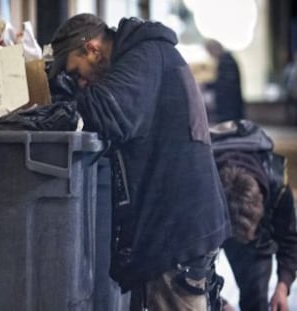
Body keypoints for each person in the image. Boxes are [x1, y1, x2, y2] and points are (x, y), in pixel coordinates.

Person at [49, 13, 231, 310]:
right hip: (177, 226)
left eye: (75, 72)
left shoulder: (145, 55)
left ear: (92, 50)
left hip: (177, 231)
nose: (79, 82)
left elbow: (109, 114)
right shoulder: (146, 55)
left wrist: (64, 96)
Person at [211, 119, 297, 311]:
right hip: (212, 222)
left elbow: (290, 240)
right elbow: (183, 260)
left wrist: (283, 286)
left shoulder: (277, 186)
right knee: (195, 295)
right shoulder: (199, 189)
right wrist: (218, 301)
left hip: (255, 239)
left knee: (256, 297)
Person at [204, 39, 244, 123]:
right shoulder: (226, 59)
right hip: (229, 106)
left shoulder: (226, 61)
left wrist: (207, 85)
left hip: (229, 107)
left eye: (209, 52)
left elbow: (225, 83)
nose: (210, 55)